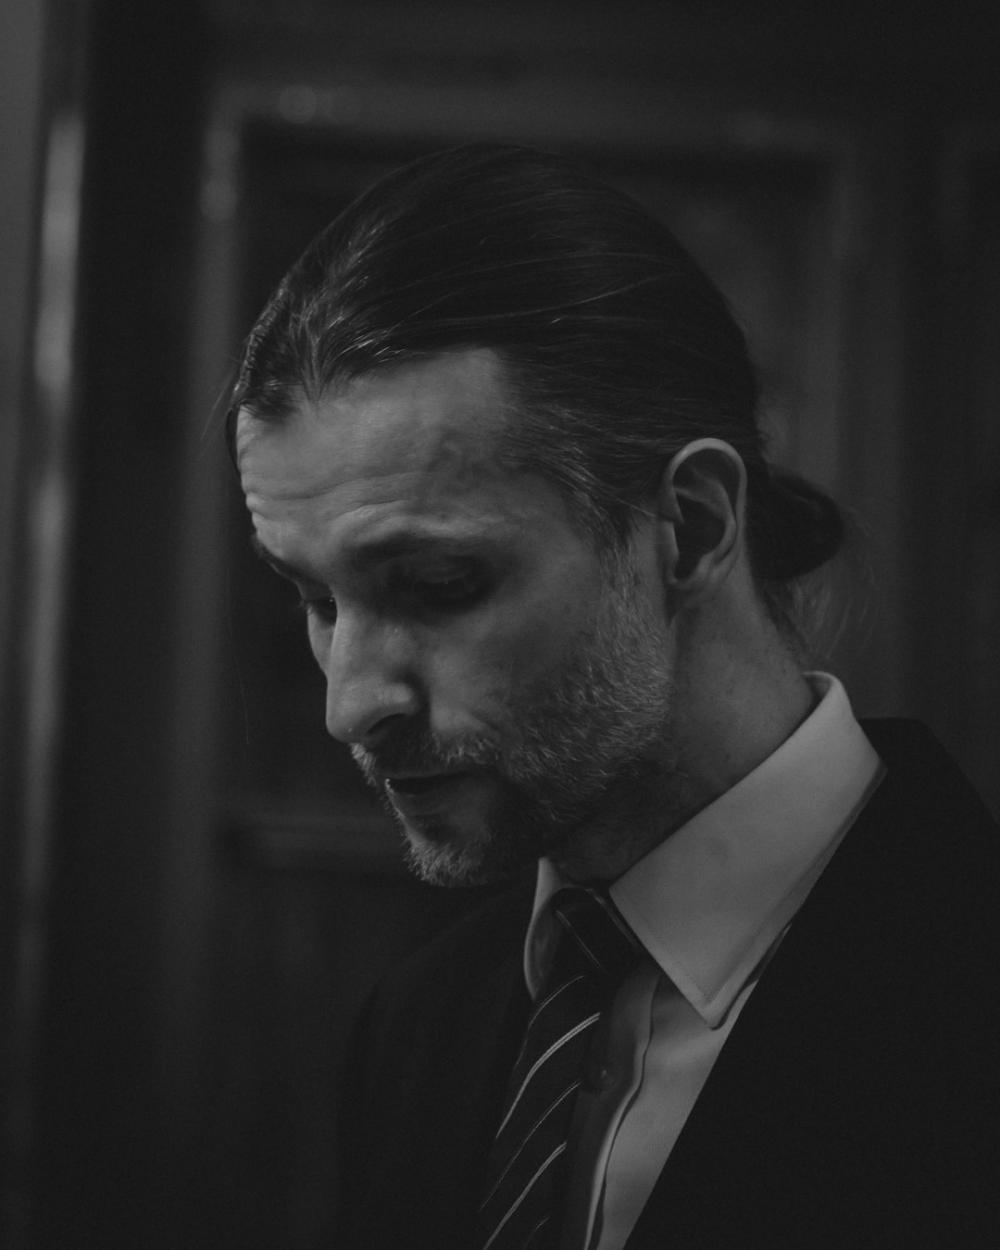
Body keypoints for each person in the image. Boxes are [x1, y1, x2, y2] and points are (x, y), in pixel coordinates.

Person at [228, 144, 998, 1249]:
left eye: (439, 584)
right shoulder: (416, 1025)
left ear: (690, 527)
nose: (349, 705)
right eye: (314, 598)